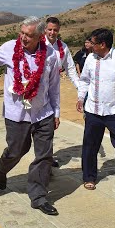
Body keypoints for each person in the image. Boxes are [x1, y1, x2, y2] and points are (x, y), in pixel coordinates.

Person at [0, 16, 61, 216]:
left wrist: (56, 112)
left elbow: (54, 87)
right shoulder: (10, 47)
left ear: (40, 36)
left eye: (29, 35)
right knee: (17, 151)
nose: (24, 38)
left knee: (44, 156)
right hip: (17, 113)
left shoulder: (51, 54)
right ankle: (1, 167)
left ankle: (39, 196)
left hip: (43, 112)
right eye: (22, 33)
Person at [76, 28, 115, 191]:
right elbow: (84, 80)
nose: (90, 45)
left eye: (93, 42)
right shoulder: (90, 58)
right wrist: (80, 97)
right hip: (93, 110)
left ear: (103, 44)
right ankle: (89, 177)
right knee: (90, 145)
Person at [44, 17, 79, 168]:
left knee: (50, 124)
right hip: (34, 92)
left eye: (55, 30)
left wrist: (80, 88)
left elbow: (70, 68)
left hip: (52, 92)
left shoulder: (62, 48)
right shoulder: (37, 44)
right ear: (44, 29)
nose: (52, 32)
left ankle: (46, 157)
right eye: (49, 29)